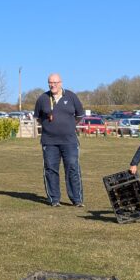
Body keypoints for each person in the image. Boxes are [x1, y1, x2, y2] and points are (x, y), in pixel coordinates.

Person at [32, 74, 85, 207]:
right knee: (50, 169)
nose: (53, 85)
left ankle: (77, 200)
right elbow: (37, 117)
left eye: (55, 82)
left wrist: (69, 125)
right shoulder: (42, 98)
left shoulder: (71, 96)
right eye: (50, 82)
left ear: (61, 83)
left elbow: (79, 115)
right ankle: (54, 199)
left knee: (72, 168)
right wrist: (49, 126)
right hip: (49, 142)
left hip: (69, 141)